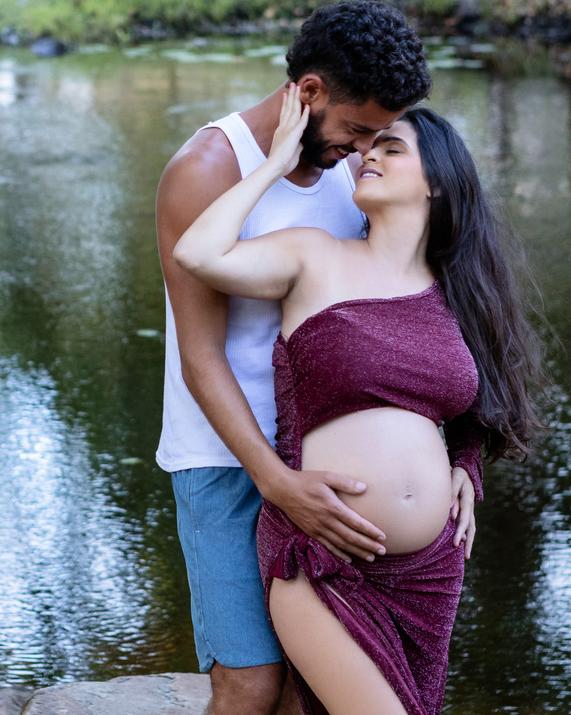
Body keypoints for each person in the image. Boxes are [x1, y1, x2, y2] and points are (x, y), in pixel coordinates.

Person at [172, 86, 543, 715]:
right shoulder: (313, 255)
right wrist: (273, 162)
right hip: (323, 555)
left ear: (439, 185)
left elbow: (482, 402)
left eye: (391, 149)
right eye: (368, 144)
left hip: (428, 573)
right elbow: (197, 253)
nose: (368, 155)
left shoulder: (456, 292)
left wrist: (465, 466)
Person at [154, 1, 433, 715]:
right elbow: (200, 359)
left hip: (317, 462)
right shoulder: (208, 168)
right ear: (308, 93)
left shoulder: (353, 173)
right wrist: (277, 484)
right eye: (358, 128)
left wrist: (457, 460)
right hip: (226, 463)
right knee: (250, 686)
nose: (368, 148)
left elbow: (405, 315)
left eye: (381, 135)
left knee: (312, 691)